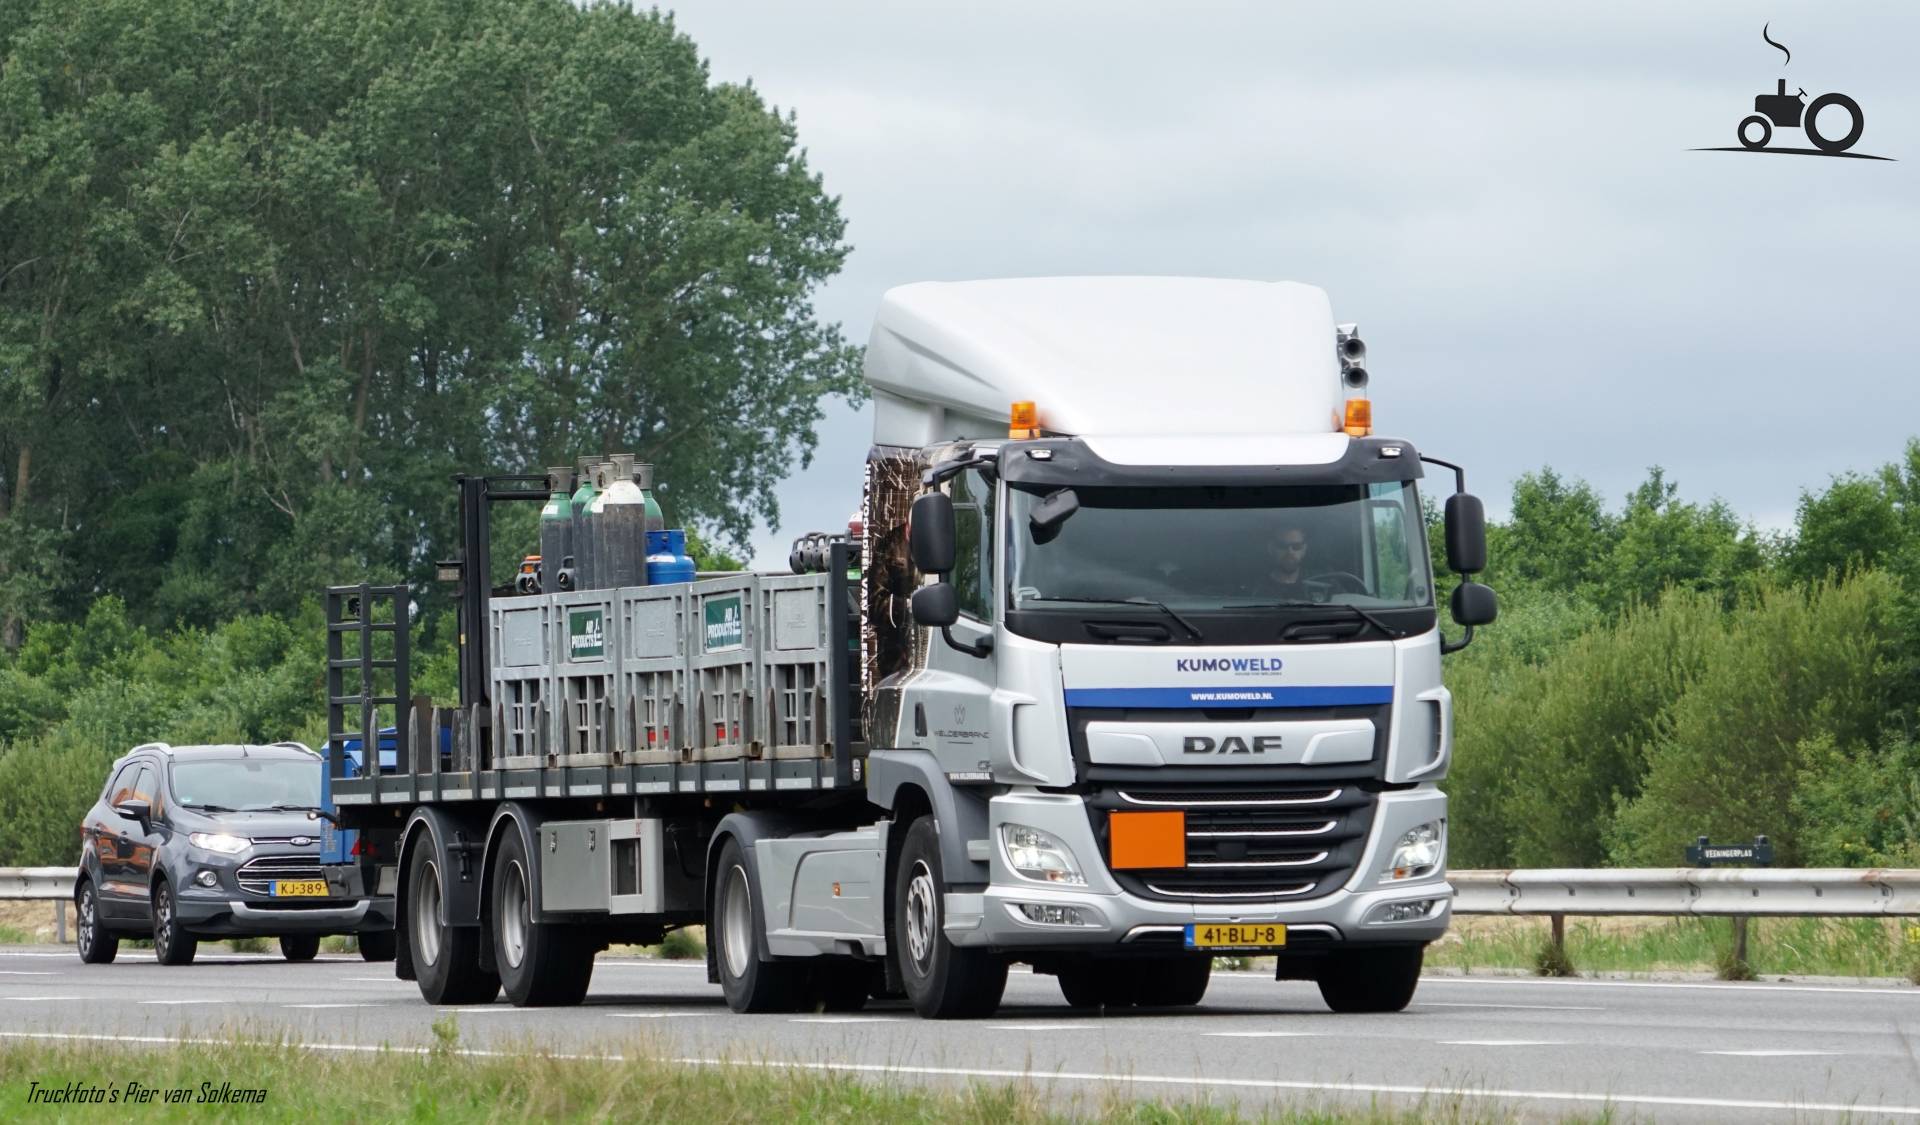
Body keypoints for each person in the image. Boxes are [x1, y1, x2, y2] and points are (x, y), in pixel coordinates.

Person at [1266, 521, 1316, 601]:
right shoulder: (1254, 590)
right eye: (1282, 546)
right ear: (1271, 548)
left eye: (1296, 546)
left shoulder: (1323, 583)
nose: (1290, 552)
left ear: (1304, 550)